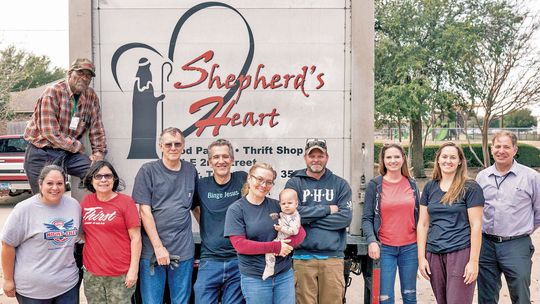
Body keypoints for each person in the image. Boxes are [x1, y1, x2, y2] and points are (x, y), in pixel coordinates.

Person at [132, 127, 198, 304]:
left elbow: (196, 207)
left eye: (177, 144)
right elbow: (144, 212)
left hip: (183, 249)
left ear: (183, 146)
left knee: (181, 301)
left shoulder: (191, 171)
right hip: (153, 251)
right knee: (152, 301)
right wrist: (158, 247)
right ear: (161, 146)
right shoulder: (147, 171)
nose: (173, 147)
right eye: (168, 144)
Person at [224, 163, 306, 304]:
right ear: (249, 178)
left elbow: (301, 232)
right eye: (259, 179)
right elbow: (240, 245)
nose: (263, 185)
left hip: (283, 275)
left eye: (268, 182)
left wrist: (286, 245)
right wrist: (275, 247)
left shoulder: (277, 205)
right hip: (256, 279)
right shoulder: (236, 209)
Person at [23, 58, 106, 195]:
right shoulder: (53, 92)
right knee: (44, 197)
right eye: (80, 73)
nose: (84, 78)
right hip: (42, 152)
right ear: (70, 73)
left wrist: (99, 153)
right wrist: (78, 146)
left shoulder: (91, 96)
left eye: (88, 75)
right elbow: (50, 132)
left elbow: (97, 128)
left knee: (99, 173)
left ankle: (102, 213)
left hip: (69, 154)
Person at [284, 138, 352, 304]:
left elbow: (344, 218)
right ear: (305, 158)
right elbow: (290, 215)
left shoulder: (340, 184)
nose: (316, 159)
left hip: (332, 259)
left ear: (327, 157)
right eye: (311, 155)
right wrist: (327, 209)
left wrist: (307, 220)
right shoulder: (294, 183)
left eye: (320, 156)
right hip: (302, 259)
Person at [475, 131, 540, 304]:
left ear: (514, 149)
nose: (501, 150)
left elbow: (539, 212)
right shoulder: (482, 177)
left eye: (506, 147)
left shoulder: (531, 177)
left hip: (516, 245)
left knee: (520, 295)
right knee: (486, 296)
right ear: (491, 149)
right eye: (497, 146)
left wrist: (520, 230)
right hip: (486, 245)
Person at [1, 165, 81, 303]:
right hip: (33, 291)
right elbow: (8, 245)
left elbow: (80, 236)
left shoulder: (74, 205)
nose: (55, 188)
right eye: (49, 183)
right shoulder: (24, 209)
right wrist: (8, 280)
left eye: (59, 183)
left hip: (68, 286)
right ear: (40, 183)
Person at [417, 142, 484, 304]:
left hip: (460, 252)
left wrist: (473, 261)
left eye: (453, 157)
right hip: (434, 253)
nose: (448, 161)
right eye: (444, 157)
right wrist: (421, 258)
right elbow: (423, 224)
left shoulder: (471, 187)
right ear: (438, 160)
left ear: (460, 161)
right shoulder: (429, 187)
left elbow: (476, 226)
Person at [362, 143, 420, 304]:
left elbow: (420, 218)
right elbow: (366, 219)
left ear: (403, 159)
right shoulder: (375, 185)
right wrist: (372, 241)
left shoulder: (412, 184)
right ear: (383, 160)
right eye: (388, 157)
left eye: (396, 156)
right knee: (385, 298)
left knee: (410, 295)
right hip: (384, 249)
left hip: (410, 248)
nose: (393, 160)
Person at [192, 139, 247, 304]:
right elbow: (195, 208)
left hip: (238, 259)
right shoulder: (201, 185)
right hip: (210, 259)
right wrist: (210, 225)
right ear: (209, 162)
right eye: (216, 157)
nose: (221, 161)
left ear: (232, 159)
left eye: (225, 156)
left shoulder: (243, 179)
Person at [80, 160, 142, 304]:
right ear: (91, 180)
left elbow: (136, 238)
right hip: (92, 274)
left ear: (114, 179)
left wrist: (133, 270)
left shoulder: (126, 202)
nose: (103, 180)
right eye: (98, 176)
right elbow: (83, 233)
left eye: (107, 176)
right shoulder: (86, 202)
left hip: (120, 274)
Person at [262, 188, 301, 280]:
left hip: (286, 240)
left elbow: (295, 231)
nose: (286, 206)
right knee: (269, 250)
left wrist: (281, 228)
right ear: (279, 205)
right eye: (283, 204)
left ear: (296, 204)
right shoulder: (284, 213)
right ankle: (270, 268)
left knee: (270, 250)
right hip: (280, 238)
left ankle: (270, 269)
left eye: (290, 203)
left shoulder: (295, 216)